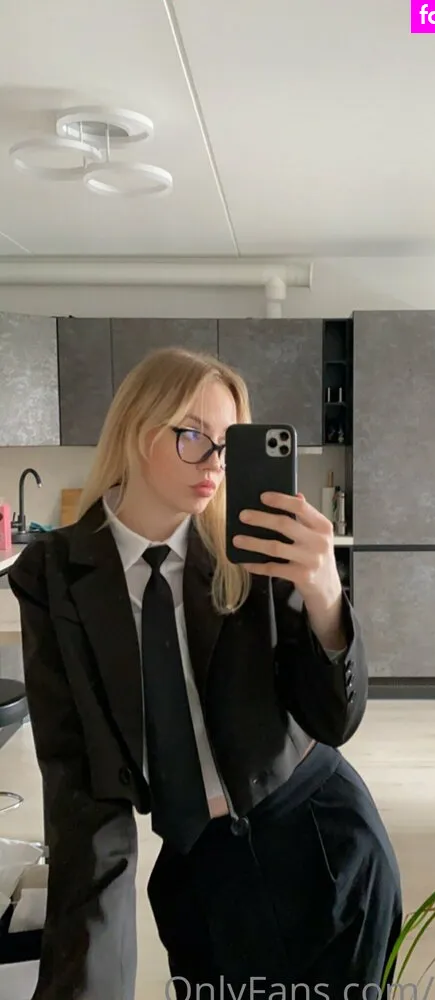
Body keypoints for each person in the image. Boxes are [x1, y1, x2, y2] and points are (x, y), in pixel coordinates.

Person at [8, 346, 402, 1000]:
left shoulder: (253, 551)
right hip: (197, 875)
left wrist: (326, 596)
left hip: (323, 853)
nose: (216, 462)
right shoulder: (55, 577)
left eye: (227, 442)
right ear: (138, 429)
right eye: (194, 435)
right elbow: (81, 799)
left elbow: (334, 720)